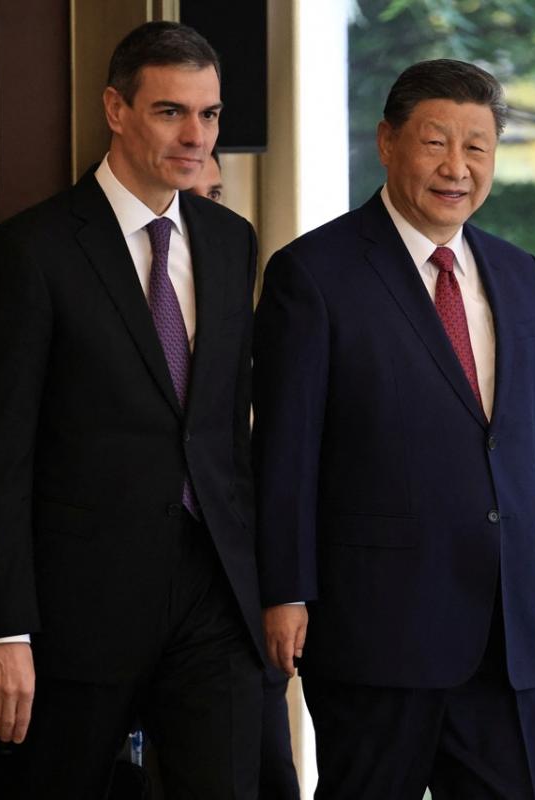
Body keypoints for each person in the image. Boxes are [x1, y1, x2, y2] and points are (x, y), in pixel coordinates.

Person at [253, 59, 535, 799]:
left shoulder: (520, 273)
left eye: (477, 147)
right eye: (436, 142)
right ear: (387, 142)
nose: (456, 168)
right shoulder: (315, 273)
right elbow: (285, 450)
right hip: (375, 632)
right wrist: (286, 590)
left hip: (505, 632)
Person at [0, 21, 264, 799]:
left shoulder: (232, 242)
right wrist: (5, 628)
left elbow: (227, 428)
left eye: (210, 114)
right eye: (171, 111)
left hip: (214, 598)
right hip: (74, 610)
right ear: (116, 109)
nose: (196, 135)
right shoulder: (31, 251)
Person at [187, 149, 301, 800]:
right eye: (194, 194)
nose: (208, 209)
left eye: (218, 193)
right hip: (124, 586)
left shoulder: (237, 271)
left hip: (238, 575)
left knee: (268, 773)